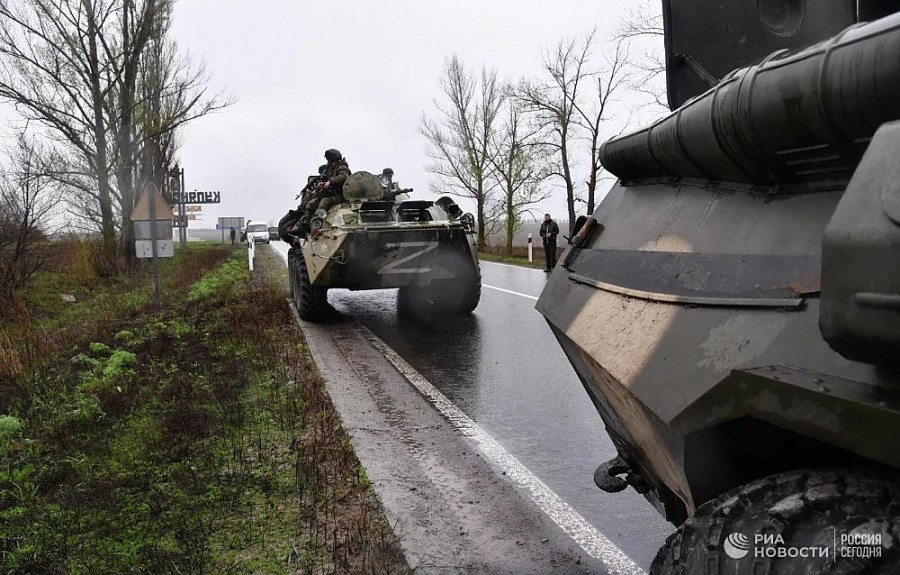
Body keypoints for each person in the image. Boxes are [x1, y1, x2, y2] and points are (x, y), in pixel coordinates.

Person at [304, 148, 350, 217]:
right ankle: (306, 223)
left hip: (341, 196)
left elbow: (343, 177)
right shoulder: (330, 169)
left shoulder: (342, 167)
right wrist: (320, 184)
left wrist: (330, 182)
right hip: (329, 194)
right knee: (310, 204)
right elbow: (325, 179)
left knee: (324, 202)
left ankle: (319, 221)